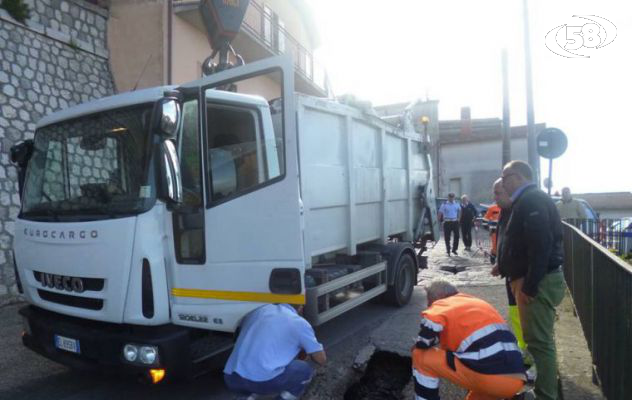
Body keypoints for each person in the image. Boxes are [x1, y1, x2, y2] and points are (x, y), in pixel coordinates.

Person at [499, 160, 565, 400]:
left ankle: (546, 395)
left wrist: (530, 285)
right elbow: (524, 243)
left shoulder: (531, 199)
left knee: (539, 343)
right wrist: (504, 265)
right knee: (538, 340)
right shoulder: (528, 199)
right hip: (536, 279)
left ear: (517, 176)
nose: (503, 182)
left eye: (505, 177)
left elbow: (541, 246)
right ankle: (544, 391)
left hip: (538, 281)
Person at [412, 280, 525, 400]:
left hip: (488, 377)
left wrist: (418, 344)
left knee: (421, 356)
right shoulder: (476, 303)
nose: (429, 305)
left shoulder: (443, 304)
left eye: (429, 301)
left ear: (438, 297)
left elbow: (425, 339)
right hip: (515, 380)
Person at [223, 303, 327, 400]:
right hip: (261, 382)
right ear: (301, 307)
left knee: (246, 381)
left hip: (231, 377)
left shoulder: (258, 310)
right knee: (304, 370)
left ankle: (245, 397)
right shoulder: (299, 322)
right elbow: (321, 359)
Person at [489, 179, 527, 356]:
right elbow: (505, 239)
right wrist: (499, 262)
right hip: (510, 272)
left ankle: (531, 356)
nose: (494, 197)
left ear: (509, 190)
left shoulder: (520, 211)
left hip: (522, 274)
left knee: (525, 316)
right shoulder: (505, 211)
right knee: (515, 312)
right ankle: (524, 351)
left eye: (497, 193)